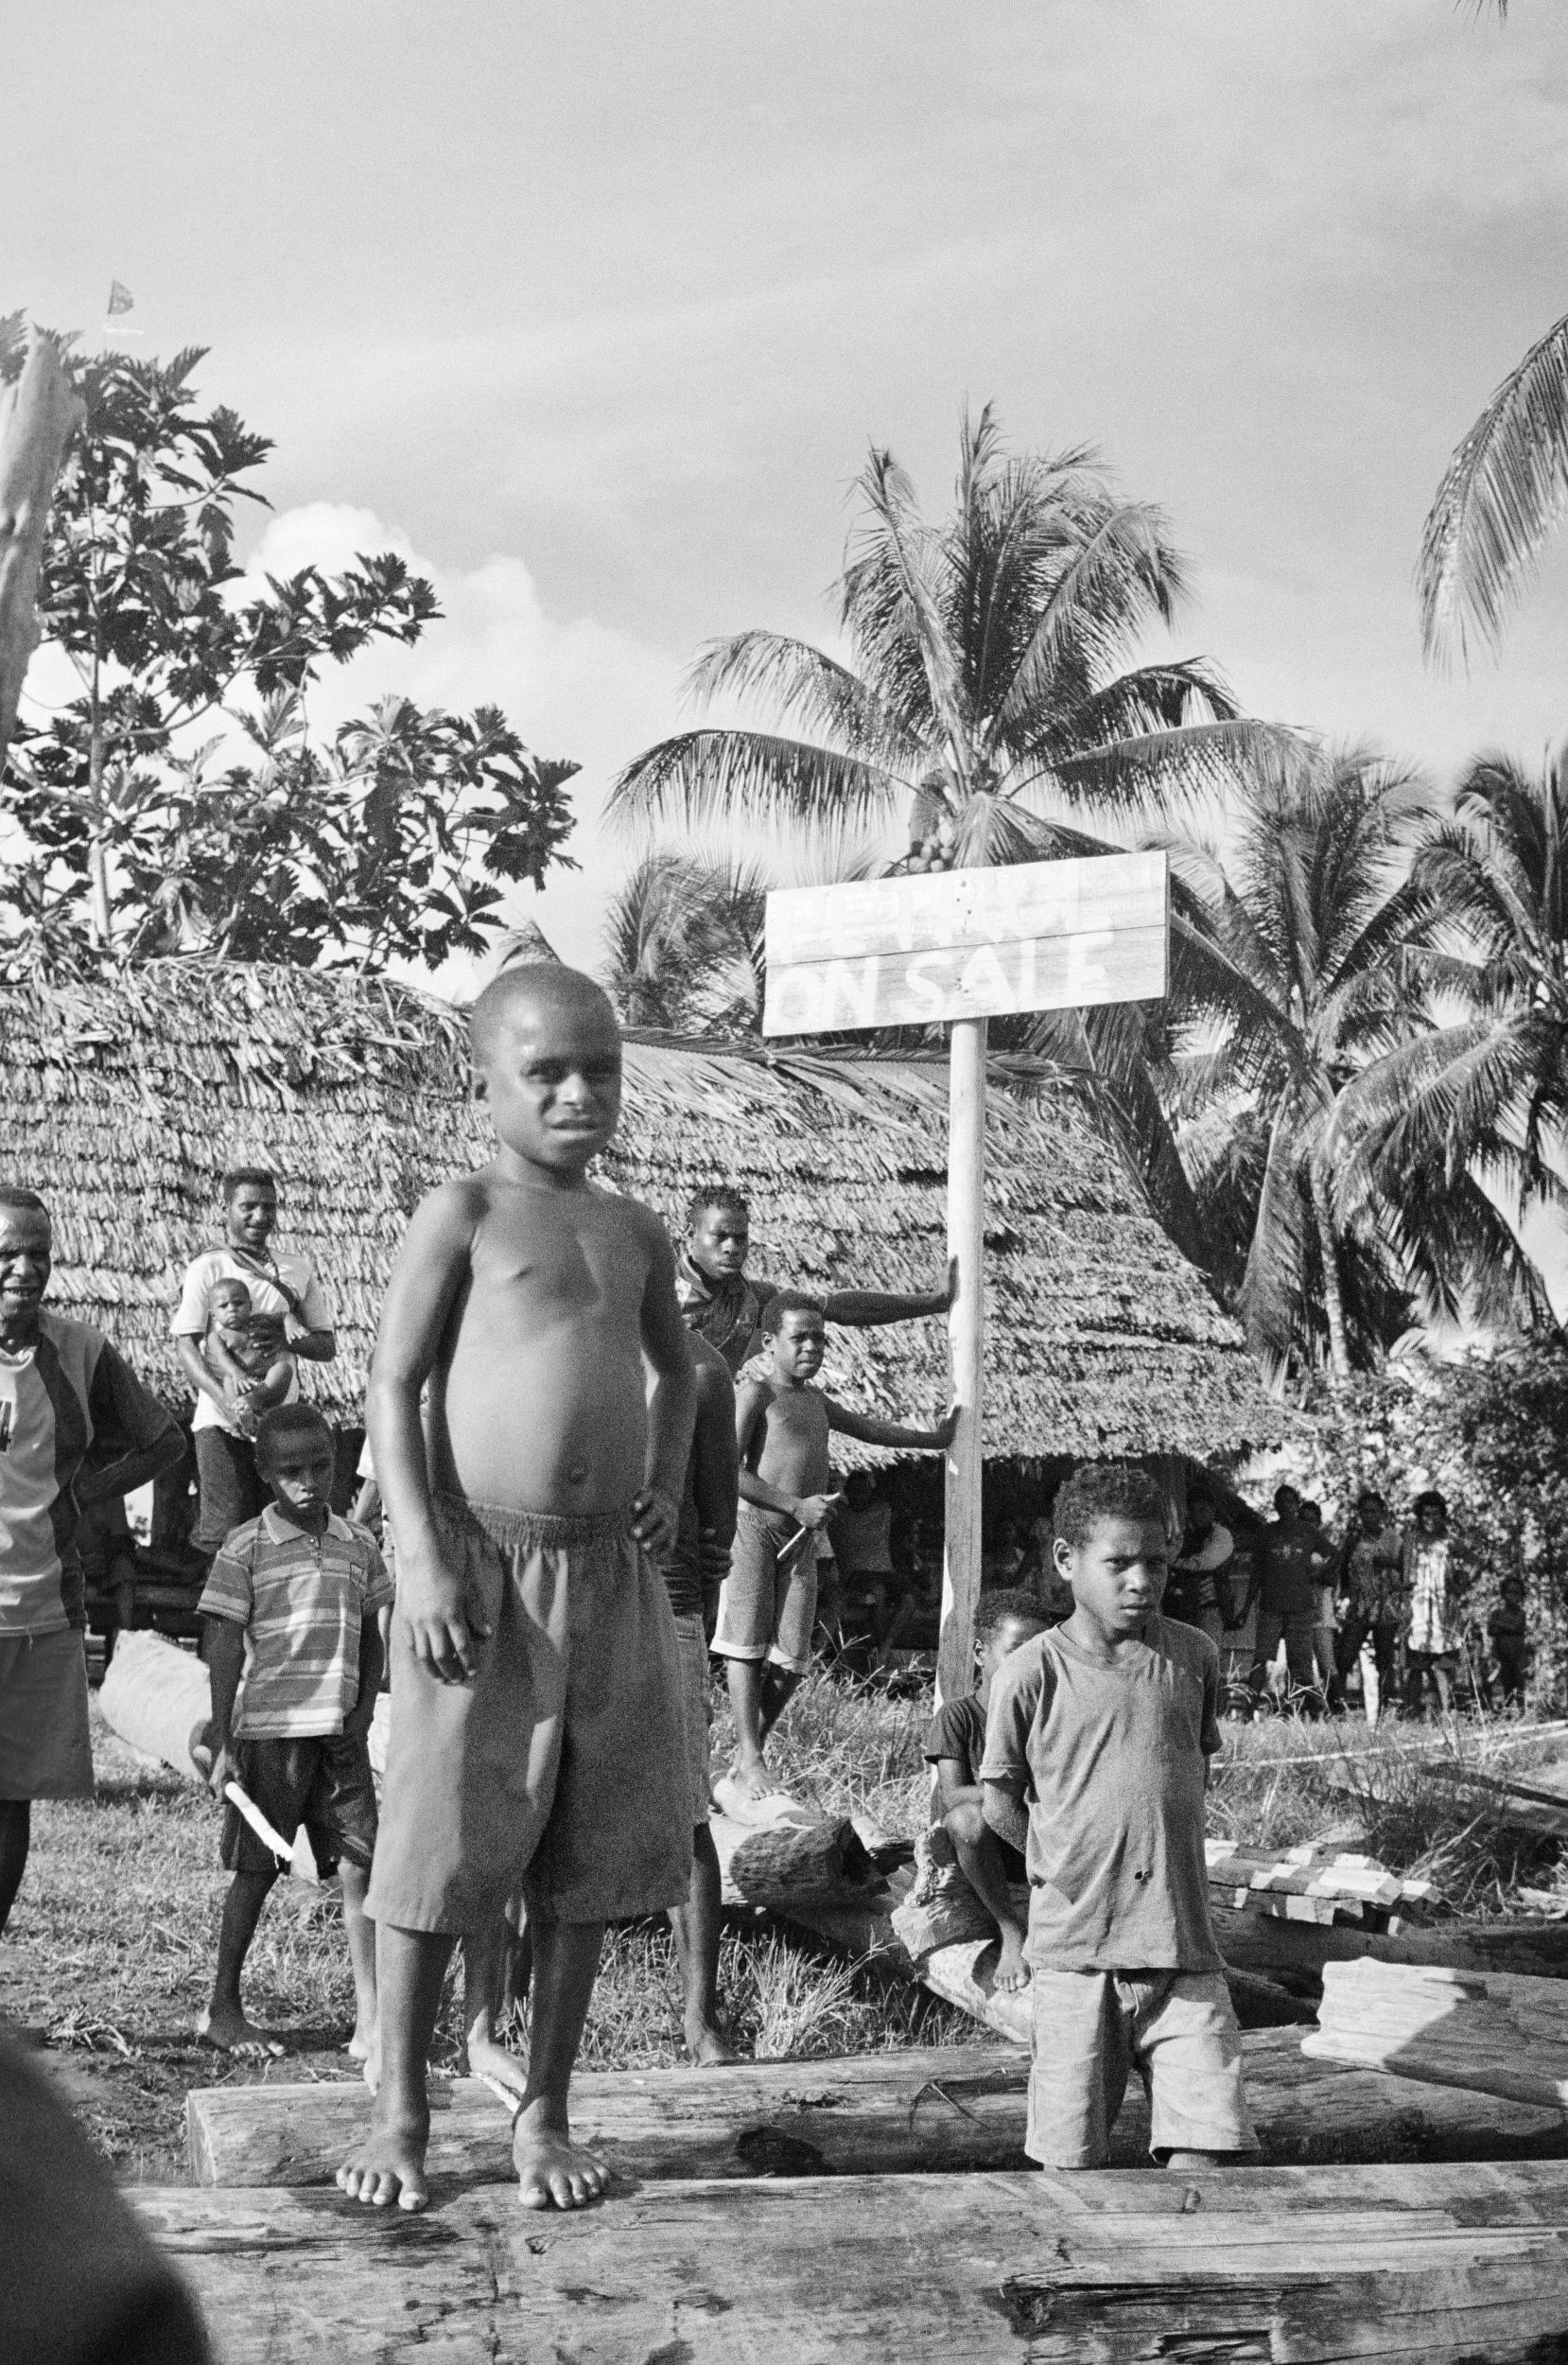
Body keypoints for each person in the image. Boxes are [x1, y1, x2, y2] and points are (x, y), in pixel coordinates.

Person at [338, 963, 695, 2216]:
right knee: (437, 1847)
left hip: (607, 1575)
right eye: (546, 1071)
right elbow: (392, 1385)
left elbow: (680, 1370)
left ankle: (542, 2112)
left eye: (598, 1067)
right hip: (480, 1569)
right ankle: (401, 2111)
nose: (578, 1092)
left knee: (584, 1857)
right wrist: (421, 1552)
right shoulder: (465, 1211)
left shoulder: (635, 1228)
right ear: (483, 1082)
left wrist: (662, 1479)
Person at [981, 1462, 1254, 2173]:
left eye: (1157, 1563)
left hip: (1183, 1950)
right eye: (1120, 1563)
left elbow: (1191, 1768)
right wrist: (1054, 1859)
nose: (1142, 1580)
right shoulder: (1031, 1673)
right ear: (1066, 1560)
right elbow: (999, 1799)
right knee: (1071, 2166)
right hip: (1078, 1952)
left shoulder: (1193, 1656)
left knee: (1207, 2154)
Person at [0, 1187, 183, 1937]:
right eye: (8, 1252)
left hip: (42, 1612)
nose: (25, 1268)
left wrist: (83, 1494)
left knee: (10, 1803)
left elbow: (164, 1440)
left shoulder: (80, 1350)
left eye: (39, 1252)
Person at [198, 1403, 390, 2058]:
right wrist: (224, 1741)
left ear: (338, 1464)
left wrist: (362, 1712)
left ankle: (372, 2018)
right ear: (262, 1473)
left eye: (319, 1467)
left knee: (363, 1870)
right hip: (270, 1735)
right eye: (290, 1471)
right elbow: (223, 1643)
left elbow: (372, 1635)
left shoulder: (359, 1544)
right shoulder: (244, 1546)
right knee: (256, 1871)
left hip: (339, 1735)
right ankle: (224, 2006)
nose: (307, 1482)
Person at [713, 1291, 955, 1803]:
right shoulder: (756, 1394)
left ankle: (746, 1752)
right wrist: (793, 1504)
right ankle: (752, 1757)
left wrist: (934, 1439)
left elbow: (871, 1430)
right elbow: (728, 1470)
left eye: (819, 1338)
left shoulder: (816, 1403)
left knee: (794, 1657)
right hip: (756, 1529)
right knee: (746, 1645)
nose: (810, 1347)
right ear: (770, 1341)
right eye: (798, 1337)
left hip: (802, 1539)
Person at [172, 1167, 338, 1558]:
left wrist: (288, 1341)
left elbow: (326, 1344)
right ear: (225, 1208)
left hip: (281, 1422)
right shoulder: (208, 1268)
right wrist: (226, 1401)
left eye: (269, 1207)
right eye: (248, 1207)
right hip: (221, 1421)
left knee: (283, 1533)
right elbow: (186, 1345)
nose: (260, 1217)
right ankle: (223, 1616)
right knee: (226, 1536)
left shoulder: (297, 1269)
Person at [676, 1183, 953, 1376]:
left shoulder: (753, 1298)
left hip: (705, 1432)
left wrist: (932, 1303)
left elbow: (841, 1308)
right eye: (720, 1235)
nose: (731, 1247)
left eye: (740, 1238)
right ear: (690, 1234)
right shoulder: (658, 1289)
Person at [924, 1588, 1049, 1994]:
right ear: (981, 1653)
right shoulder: (959, 1716)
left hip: (1036, 1845)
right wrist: (1007, 1792)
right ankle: (1011, 1930)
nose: (1026, 1665)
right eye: (1014, 1651)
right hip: (982, 1851)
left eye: (1038, 1653)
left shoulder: (1048, 1718)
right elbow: (953, 1795)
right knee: (968, 1819)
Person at [1246, 1485, 1326, 1712]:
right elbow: (1256, 1573)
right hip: (1271, 1604)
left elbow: (1333, 1556)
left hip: (1301, 1606)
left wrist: (1318, 1573)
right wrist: (1245, 1607)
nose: (1285, 1506)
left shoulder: (1308, 1533)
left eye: (1290, 1502)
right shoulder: (1267, 1532)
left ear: (1297, 1505)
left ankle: (1300, 1708)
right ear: (1275, 1505)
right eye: (1281, 1502)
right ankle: (1247, 1706)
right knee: (1262, 1658)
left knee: (1300, 1660)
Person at [1333, 1490, 1405, 1727]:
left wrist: (1390, 1563)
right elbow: (1342, 1568)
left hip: (1386, 1605)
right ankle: (1337, 1709)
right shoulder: (1354, 1540)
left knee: (1385, 1659)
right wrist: (1344, 1596)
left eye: (1374, 1511)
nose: (1369, 1516)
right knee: (1344, 1656)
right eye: (1365, 1511)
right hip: (1360, 1605)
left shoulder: (1393, 1538)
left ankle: (1386, 1713)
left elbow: (1408, 1569)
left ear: (1382, 1513)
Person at [200, 1279, 297, 1432]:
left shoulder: (259, 1320)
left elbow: (283, 1316)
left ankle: (253, 1400)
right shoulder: (218, 1337)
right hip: (241, 1383)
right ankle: (244, 1417)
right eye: (223, 1306)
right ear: (213, 1315)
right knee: (228, 1380)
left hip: (268, 1384)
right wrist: (237, 1373)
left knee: (284, 1368)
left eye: (238, 1303)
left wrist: (291, 1325)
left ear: (250, 1306)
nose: (232, 1309)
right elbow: (221, 1358)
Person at [1403, 1490, 1456, 1719]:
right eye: (1426, 1513)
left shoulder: (1449, 1541)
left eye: (1436, 1513)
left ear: (1442, 1515)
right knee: (1416, 1664)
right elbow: (1405, 1575)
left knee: (1442, 1664)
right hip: (1417, 1607)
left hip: (1443, 1610)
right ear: (1419, 1515)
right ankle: (1411, 1713)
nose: (1430, 1518)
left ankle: (1446, 1712)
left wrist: (1460, 1585)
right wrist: (1403, 1603)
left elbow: (1475, 1561)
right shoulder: (1411, 1540)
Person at [1165, 1483, 1235, 1650]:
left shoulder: (1221, 1535)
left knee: (1207, 1655)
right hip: (1182, 1608)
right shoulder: (1184, 1536)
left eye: (1203, 1510)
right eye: (1194, 1510)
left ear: (1213, 1510)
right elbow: (1167, 1556)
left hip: (1209, 1607)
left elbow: (1205, 1562)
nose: (1199, 1515)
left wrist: (1177, 1564)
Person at [1488, 1575, 1528, 1709]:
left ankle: (1522, 1709)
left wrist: (1500, 1626)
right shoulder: (1496, 1613)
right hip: (1502, 1654)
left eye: (1517, 1593)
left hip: (1518, 1654)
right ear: (1504, 1594)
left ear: (1521, 1596)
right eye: (1509, 1592)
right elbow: (1491, 1630)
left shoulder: (1521, 1613)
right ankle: (1508, 1710)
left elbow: (1516, 1627)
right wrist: (1505, 1626)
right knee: (1507, 1683)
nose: (1513, 1596)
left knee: (1519, 1682)